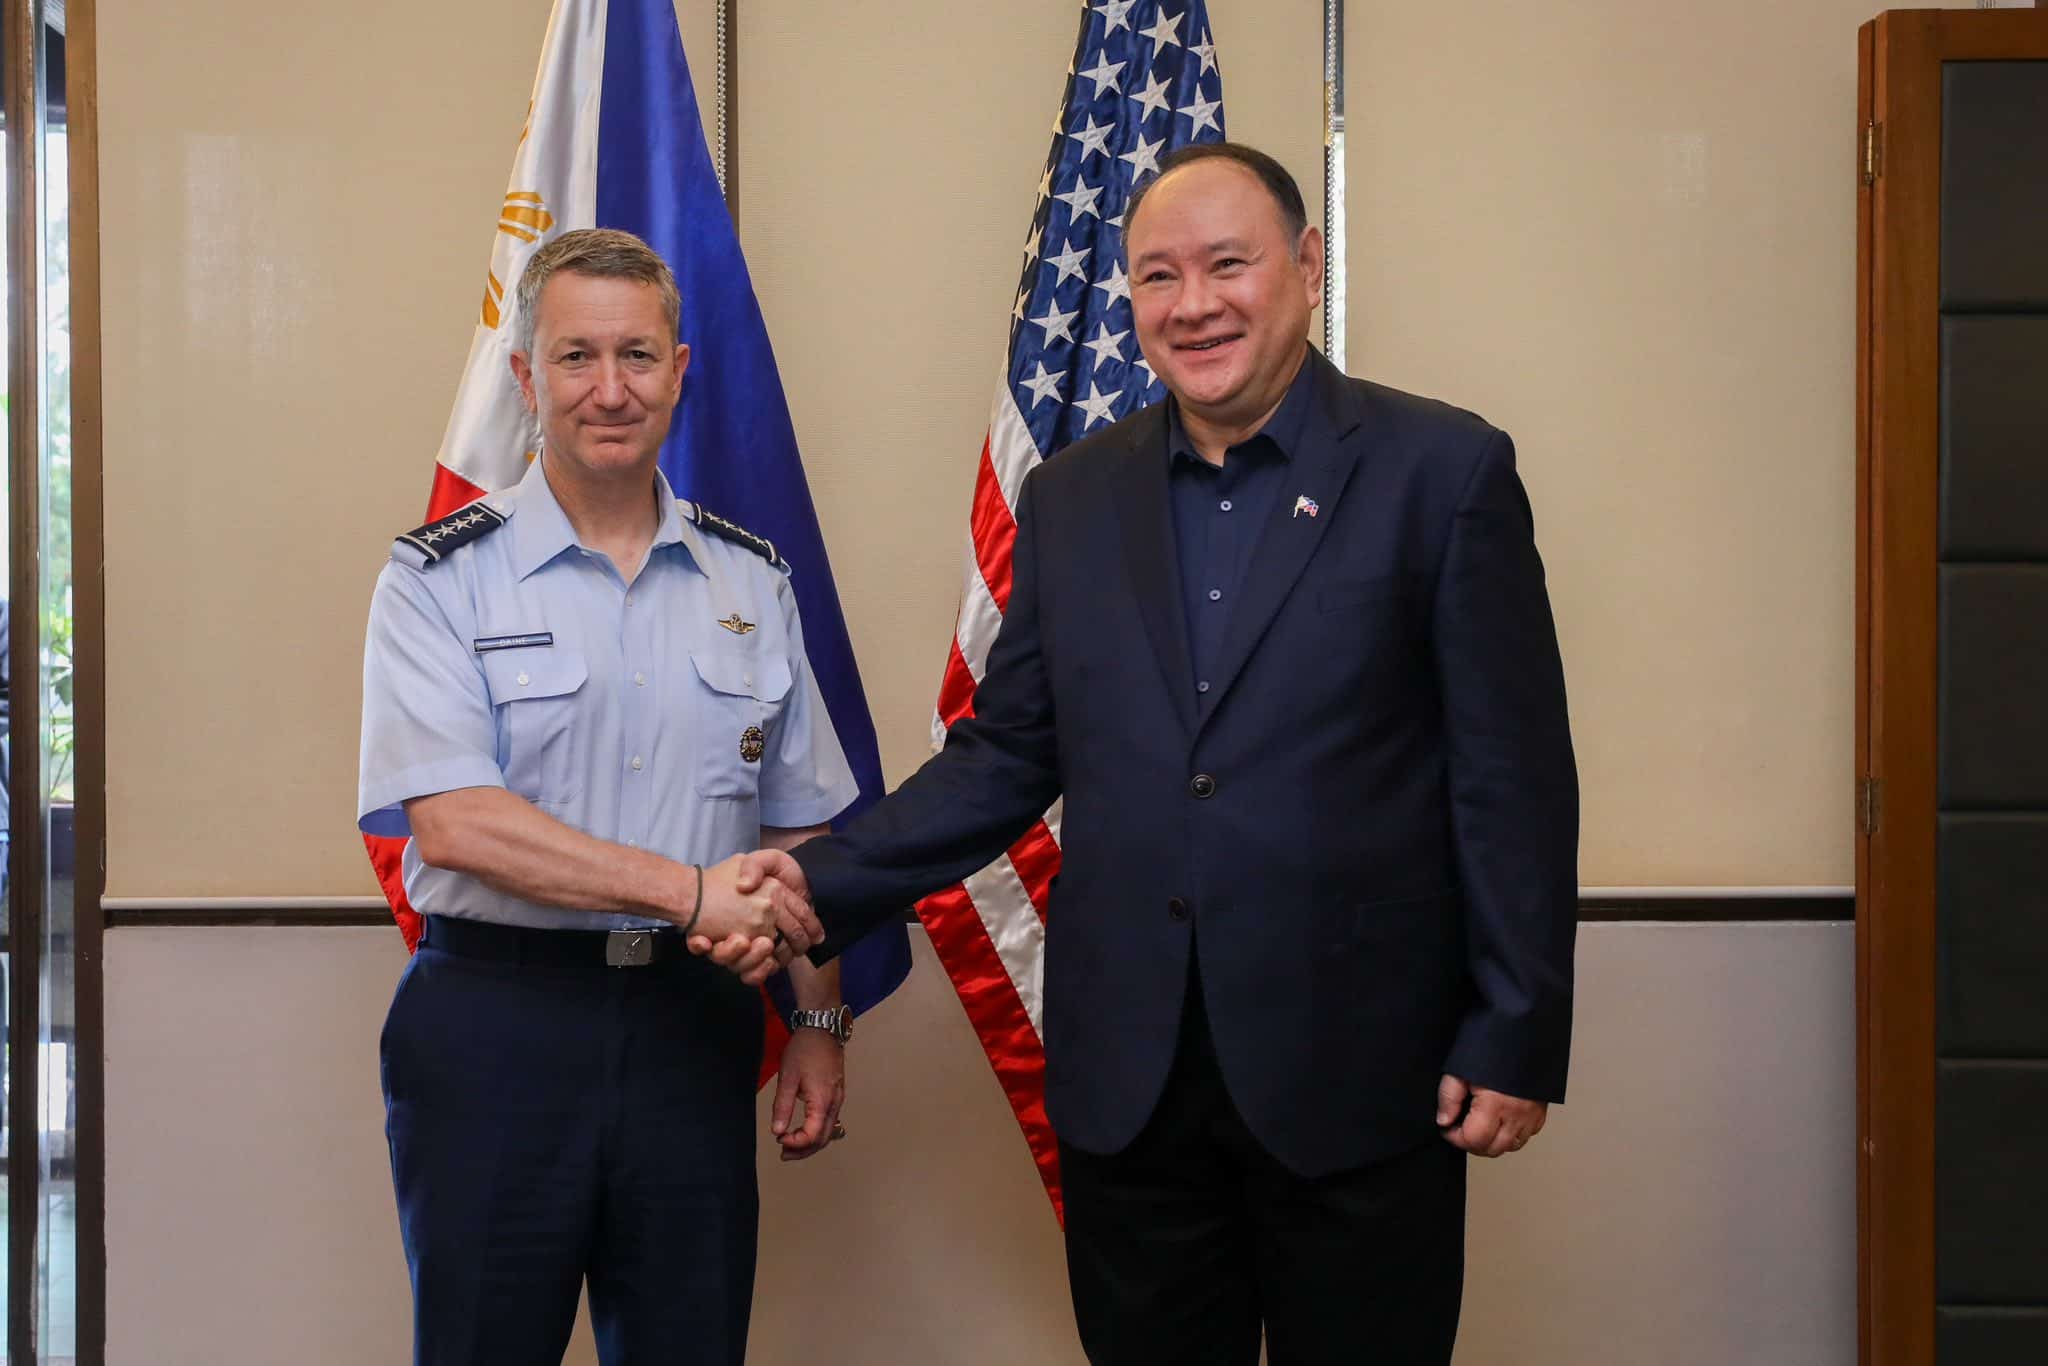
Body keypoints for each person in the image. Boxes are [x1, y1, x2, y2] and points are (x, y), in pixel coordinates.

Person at [754, 144, 1579, 1364]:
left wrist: (1514, 1027)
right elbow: (1004, 754)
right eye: (1156, 276)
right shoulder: (1074, 498)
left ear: (1304, 266)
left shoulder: (1441, 474)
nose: (1192, 304)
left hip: (1359, 1071)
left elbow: (1510, 777)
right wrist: (809, 885)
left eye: (1226, 265)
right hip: (1128, 1076)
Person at [357, 227, 855, 1366]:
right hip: (495, 1023)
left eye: (638, 355)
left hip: (692, 1031)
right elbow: (456, 821)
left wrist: (818, 1022)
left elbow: (796, 831)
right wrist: (688, 891)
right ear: (527, 378)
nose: (610, 388)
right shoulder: (436, 580)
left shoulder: (751, 579)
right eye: (576, 358)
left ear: (681, 372)